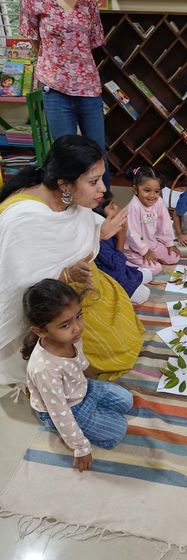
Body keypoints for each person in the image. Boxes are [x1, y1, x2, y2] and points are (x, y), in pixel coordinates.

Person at [0, 135, 144, 387]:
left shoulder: (68, 197)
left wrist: (101, 233)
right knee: (113, 351)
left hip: (80, 284)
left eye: (101, 178)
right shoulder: (22, 219)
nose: (103, 188)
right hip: (50, 305)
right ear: (65, 184)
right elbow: (20, 283)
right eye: (94, 181)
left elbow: (77, 238)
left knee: (124, 334)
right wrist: (65, 274)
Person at [22, 279, 133, 472]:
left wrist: (95, 385)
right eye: (65, 325)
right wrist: (81, 447)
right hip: (67, 409)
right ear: (40, 331)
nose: (78, 327)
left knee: (127, 400)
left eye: (79, 316)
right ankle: (84, 424)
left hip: (82, 388)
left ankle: (95, 409)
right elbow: (59, 411)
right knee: (118, 430)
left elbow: (81, 364)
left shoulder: (72, 339)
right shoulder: (44, 369)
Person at [19, 0, 111, 190]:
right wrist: (53, 64)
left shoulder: (89, 3)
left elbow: (92, 41)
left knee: (97, 151)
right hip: (55, 89)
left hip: (88, 86)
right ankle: (69, 206)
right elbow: (33, 38)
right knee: (66, 154)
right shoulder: (34, 2)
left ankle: (102, 206)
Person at [94, 191, 152, 305]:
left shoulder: (113, 227)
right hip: (113, 277)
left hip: (123, 270)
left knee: (149, 273)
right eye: (111, 206)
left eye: (114, 203)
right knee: (145, 294)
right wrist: (121, 237)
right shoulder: (101, 240)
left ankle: (134, 281)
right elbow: (117, 266)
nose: (116, 207)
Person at [124, 166, 180, 275]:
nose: (152, 196)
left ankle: (150, 255)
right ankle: (126, 261)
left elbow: (164, 223)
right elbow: (132, 234)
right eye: (147, 190)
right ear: (135, 189)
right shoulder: (133, 207)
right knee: (156, 269)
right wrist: (144, 252)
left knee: (174, 257)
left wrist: (169, 243)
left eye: (157, 191)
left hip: (151, 243)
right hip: (133, 248)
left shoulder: (158, 201)